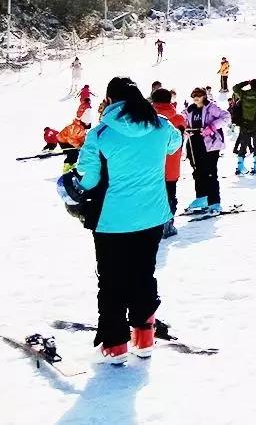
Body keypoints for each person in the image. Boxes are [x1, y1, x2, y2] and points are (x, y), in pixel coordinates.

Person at [61, 77, 182, 362]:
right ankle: (144, 336)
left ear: (110, 100)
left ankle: (115, 344)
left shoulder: (100, 134)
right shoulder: (160, 125)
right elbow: (174, 144)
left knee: (113, 280)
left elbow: (88, 181)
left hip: (111, 221)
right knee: (143, 274)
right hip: (152, 216)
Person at [181, 86, 228, 217]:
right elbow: (181, 121)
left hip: (210, 144)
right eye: (194, 94)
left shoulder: (211, 107)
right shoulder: (189, 110)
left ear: (204, 96)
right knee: (198, 172)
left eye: (199, 94)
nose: (196, 97)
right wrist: (183, 129)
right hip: (194, 143)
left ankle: (214, 202)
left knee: (210, 173)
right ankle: (202, 198)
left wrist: (211, 127)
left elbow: (226, 117)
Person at [149, 89, 186, 238]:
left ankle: (152, 224)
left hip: (150, 165)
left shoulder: (145, 118)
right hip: (172, 165)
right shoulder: (178, 119)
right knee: (170, 193)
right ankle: (168, 223)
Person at [231, 79, 256, 175]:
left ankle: (240, 166)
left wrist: (245, 82)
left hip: (244, 124)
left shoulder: (244, 94)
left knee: (243, 145)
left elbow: (235, 88)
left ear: (251, 85)